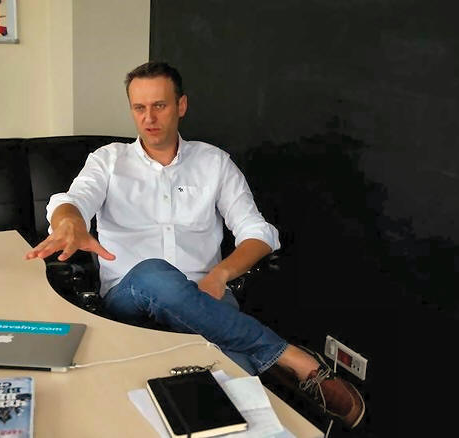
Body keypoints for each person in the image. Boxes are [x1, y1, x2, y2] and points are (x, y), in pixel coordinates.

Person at [25, 61, 365, 429]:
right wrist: (70, 222)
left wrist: (221, 274)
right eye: (139, 108)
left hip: (207, 296)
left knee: (236, 389)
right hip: (130, 297)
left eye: (160, 105)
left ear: (181, 105)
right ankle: (290, 358)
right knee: (154, 274)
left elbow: (258, 232)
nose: (149, 118)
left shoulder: (214, 163)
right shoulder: (108, 161)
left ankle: (261, 379)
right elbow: (72, 202)